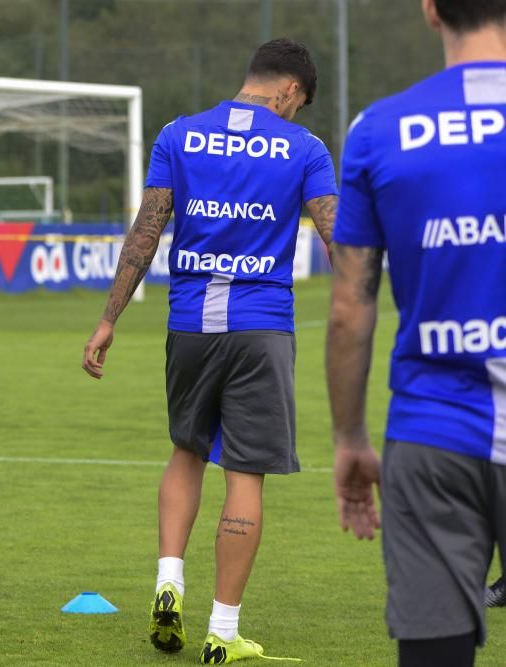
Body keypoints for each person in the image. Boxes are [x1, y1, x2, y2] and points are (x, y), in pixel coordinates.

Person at [83, 39, 337, 664]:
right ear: (288, 91)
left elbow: (148, 229)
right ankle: (222, 632)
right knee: (244, 473)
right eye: (299, 102)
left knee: (186, 450)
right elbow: (339, 236)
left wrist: (108, 319)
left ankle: (169, 581)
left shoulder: (179, 134)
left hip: (190, 325)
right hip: (261, 328)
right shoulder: (303, 148)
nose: (296, 112)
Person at [327, 0, 506, 664]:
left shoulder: (379, 129)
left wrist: (349, 438)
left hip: (431, 435)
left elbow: (349, 307)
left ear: (431, 10)